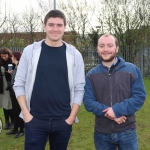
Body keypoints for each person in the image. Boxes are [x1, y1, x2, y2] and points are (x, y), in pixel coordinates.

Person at [13, 10, 85, 150]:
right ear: (44, 26)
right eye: (51, 24)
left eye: (59, 25)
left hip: (62, 121)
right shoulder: (30, 51)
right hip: (35, 120)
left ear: (64, 27)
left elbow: (79, 88)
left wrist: (70, 118)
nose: (55, 29)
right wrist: (27, 115)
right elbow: (19, 83)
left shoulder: (74, 54)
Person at [83, 34, 146, 150]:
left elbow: (139, 97)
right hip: (101, 133)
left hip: (127, 131)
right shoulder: (90, 75)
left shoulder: (132, 70)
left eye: (110, 45)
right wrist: (111, 114)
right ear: (97, 49)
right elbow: (88, 102)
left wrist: (116, 110)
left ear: (117, 48)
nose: (105, 49)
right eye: (102, 46)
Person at [6, 51, 24, 138]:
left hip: (19, 91)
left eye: (12, 56)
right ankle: (15, 128)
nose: (11, 58)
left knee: (19, 110)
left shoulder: (21, 66)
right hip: (13, 90)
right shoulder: (17, 67)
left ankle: (21, 130)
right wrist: (12, 73)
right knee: (14, 110)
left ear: (16, 57)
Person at [0, 48, 14, 130]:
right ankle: (7, 121)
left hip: (9, 83)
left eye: (5, 56)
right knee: (4, 104)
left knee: (10, 103)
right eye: (2, 56)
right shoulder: (0, 62)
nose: (4, 58)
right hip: (2, 84)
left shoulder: (11, 61)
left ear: (8, 55)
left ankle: (13, 121)